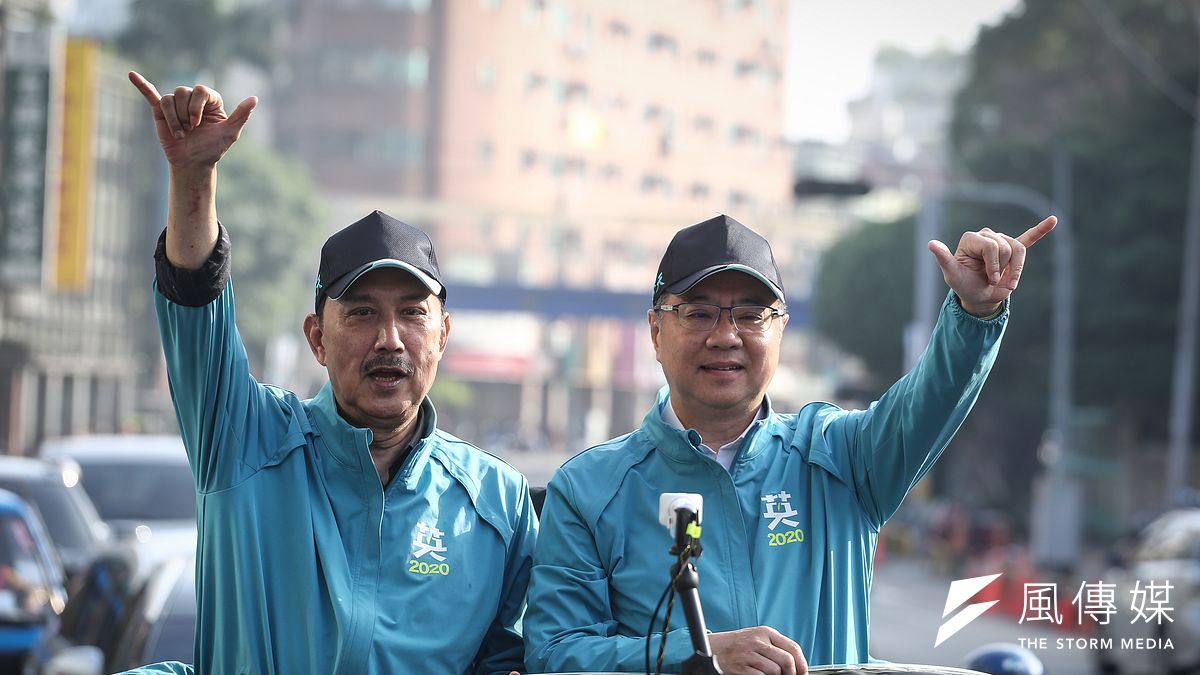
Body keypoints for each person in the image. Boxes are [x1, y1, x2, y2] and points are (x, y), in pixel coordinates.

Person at [122, 72, 537, 675]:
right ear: (317, 337)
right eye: (362, 313)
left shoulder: (497, 501)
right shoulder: (245, 440)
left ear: (443, 335)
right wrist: (193, 178)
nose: (390, 338)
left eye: (412, 314)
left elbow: (514, 660)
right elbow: (195, 308)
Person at [523, 213, 1055, 675]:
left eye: (751, 315)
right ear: (656, 331)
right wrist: (698, 655)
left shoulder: (842, 458)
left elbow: (931, 400)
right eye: (699, 313)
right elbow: (554, 654)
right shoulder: (589, 489)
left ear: (780, 330)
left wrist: (974, 315)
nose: (725, 336)